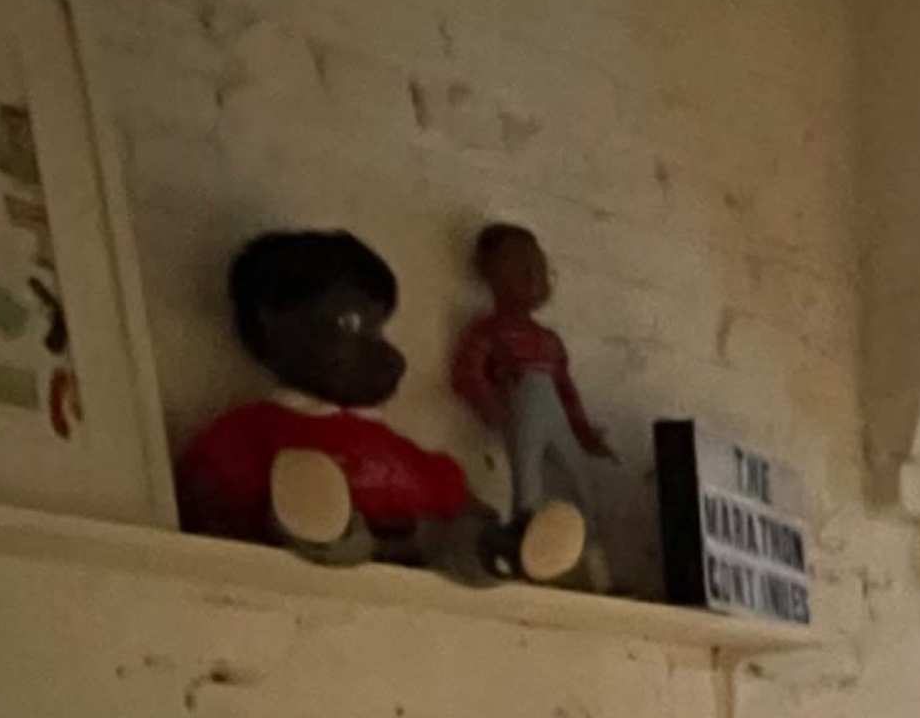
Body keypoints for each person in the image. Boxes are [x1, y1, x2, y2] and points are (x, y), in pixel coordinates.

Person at [177, 231, 481, 557]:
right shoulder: (246, 439)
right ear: (274, 324)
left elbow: (460, 504)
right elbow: (216, 528)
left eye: (378, 329)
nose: (385, 352)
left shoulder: (399, 452)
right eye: (349, 325)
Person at [450, 221, 609, 551]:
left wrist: (584, 432)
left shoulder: (549, 340)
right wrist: (490, 407)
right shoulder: (489, 330)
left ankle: (586, 541)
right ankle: (528, 544)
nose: (533, 275)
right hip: (522, 404)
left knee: (576, 474)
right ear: (491, 273)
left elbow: (566, 390)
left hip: (551, 408)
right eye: (519, 266)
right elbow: (467, 372)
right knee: (527, 479)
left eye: (538, 266)